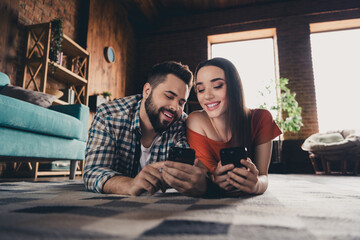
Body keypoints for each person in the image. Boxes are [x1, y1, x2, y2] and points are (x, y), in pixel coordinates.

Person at [84, 61, 208, 197]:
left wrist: (199, 179)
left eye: (181, 103)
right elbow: (93, 171)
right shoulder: (109, 115)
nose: (175, 107)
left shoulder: (181, 122)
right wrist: (129, 185)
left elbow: (188, 168)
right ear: (147, 91)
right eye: (169, 96)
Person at [186, 57, 282, 195]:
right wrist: (215, 179)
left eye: (217, 86)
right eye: (200, 89)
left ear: (234, 86)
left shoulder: (262, 118)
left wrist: (255, 186)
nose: (207, 96)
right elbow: (207, 176)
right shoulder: (195, 120)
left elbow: (263, 176)